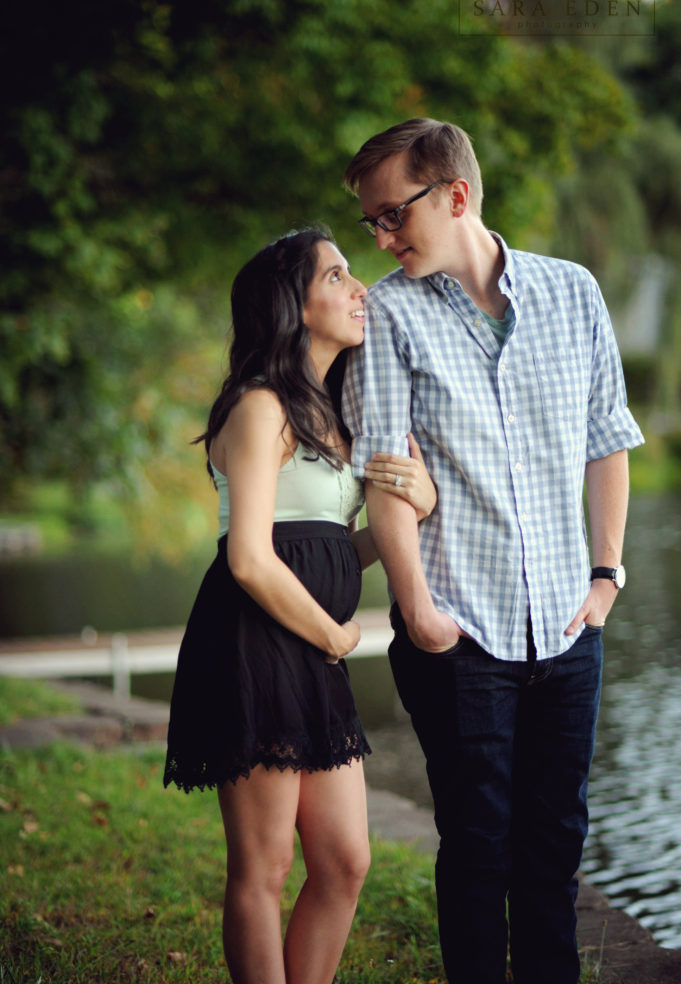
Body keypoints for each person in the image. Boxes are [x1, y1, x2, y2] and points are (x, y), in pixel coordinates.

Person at [341, 118, 645, 984]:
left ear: (457, 194)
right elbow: (386, 476)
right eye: (372, 224)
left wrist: (606, 573)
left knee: (554, 848)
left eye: (393, 215)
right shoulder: (390, 313)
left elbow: (607, 440)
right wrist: (420, 612)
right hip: (458, 634)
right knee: (477, 849)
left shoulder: (572, 291)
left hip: (566, 627)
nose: (384, 237)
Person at [163, 226, 437, 984]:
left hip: (312, 649)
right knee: (265, 864)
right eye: (339, 277)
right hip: (254, 644)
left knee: (346, 861)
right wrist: (335, 634)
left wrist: (406, 514)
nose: (361, 290)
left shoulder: (328, 412)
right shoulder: (258, 407)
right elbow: (250, 557)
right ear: (293, 303)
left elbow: (325, 550)